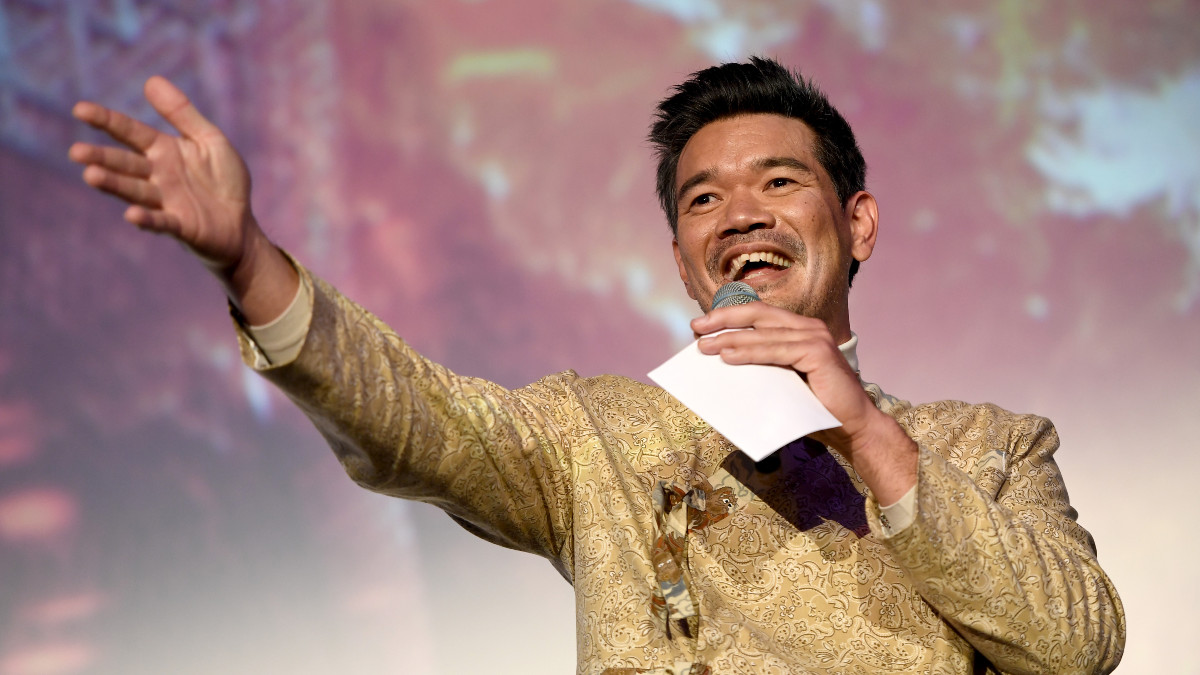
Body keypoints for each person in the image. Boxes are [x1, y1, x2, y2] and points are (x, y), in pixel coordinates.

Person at [69, 57, 1124, 674]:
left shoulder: (987, 446)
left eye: (777, 183)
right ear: (679, 258)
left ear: (858, 224)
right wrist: (249, 258)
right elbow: (413, 418)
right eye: (703, 198)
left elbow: (1077, 646)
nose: (741, 213)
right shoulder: (601, 433)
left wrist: (868, 435)